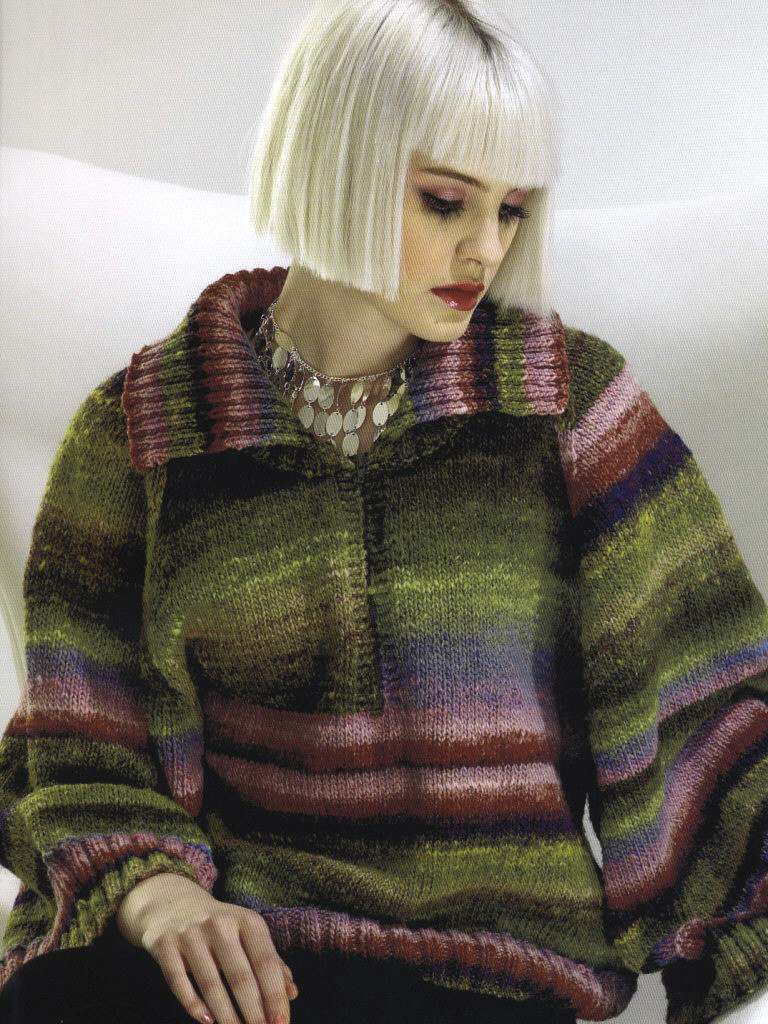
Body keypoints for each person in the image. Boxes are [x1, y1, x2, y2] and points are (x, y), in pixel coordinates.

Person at [1, 2, 767, 1023]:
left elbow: (709, 707)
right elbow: (74, 736)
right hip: (221, 968)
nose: (485, 248)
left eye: (511, 211)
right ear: (335, 162)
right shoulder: (146, 432)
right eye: (446, 201)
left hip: (481, 975)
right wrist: (153, 891)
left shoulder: (565, 410)